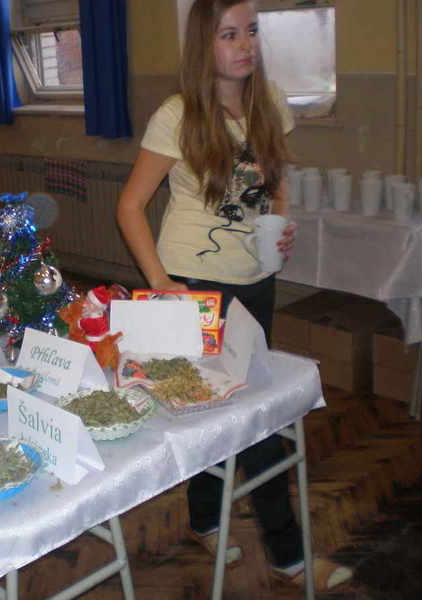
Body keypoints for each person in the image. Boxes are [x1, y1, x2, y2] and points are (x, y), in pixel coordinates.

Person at [116, 0, 351, 591]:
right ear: (204, 43)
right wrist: (161, 283)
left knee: (215, 408)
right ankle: (291, 556)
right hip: (193, 281)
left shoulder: (268, 102)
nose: (245, 44)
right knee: (254, 417)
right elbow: (130, 206)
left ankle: (203, 519)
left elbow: (276, 180)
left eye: (251, 31)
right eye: (228, 34)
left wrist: (280, 224)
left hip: (253, 277)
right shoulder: (177, 114)